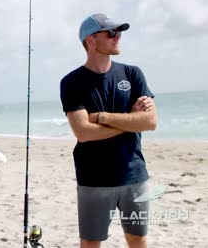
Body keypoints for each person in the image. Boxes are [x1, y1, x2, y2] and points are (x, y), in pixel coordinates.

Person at [60, 13, 157, 248]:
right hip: (94, 178)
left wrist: (102, 118)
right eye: (112, 33)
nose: (117, 37)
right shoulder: (72, 82)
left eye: (119, 32)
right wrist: (130, 121)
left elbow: (150, 122)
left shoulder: (133, 74)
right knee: (91, 243)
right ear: (91, 39)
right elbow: (83, 133)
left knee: (138, 239)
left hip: (134, 174)